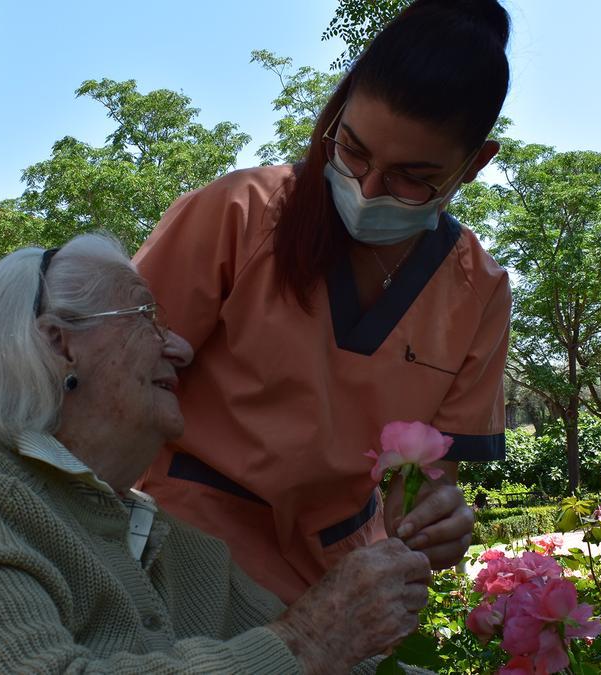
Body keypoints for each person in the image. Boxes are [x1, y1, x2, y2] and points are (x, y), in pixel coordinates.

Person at [0, 235, 431, 674]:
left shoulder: (162, 536)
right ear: (58, 344)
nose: (181, 348)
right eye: (147, 318)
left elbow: (346, 656)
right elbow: (309, 642)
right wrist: (309, 642)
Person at [134, 0, 512, 602]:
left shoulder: (478, 291)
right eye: (353, 151)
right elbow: (109, 381)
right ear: (337, 116)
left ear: (474, 164)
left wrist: (438, 515)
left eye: (412, 177)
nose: (366, 190)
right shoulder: (241, 214)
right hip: (183, 555)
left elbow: (429, 475)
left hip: (337, 583)